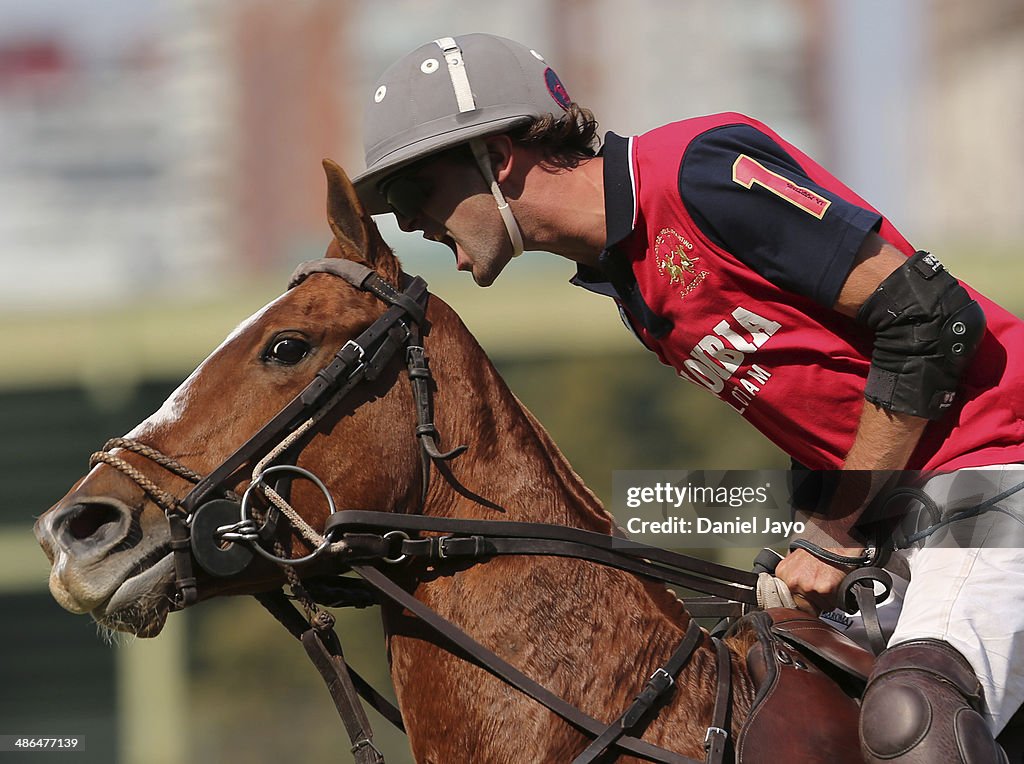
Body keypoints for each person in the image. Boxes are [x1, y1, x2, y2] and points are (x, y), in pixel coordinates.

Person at [352, 33, 1024, 763]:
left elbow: (929, 317)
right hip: (912, 509)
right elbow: (826, 396)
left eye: (411, 192)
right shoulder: (627, 279)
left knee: (911, 717)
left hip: (1001, 460)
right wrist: (809, 530)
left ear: (498, 156)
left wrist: (834, 535)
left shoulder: (694, 171)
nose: (408, 223)